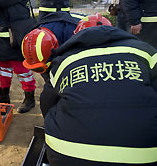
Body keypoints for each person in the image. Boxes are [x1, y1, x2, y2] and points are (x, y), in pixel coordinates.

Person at [22, 15, 157, 166]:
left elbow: (47, 104)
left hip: (65, 154)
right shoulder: (146, 53)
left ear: (77, 35)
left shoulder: (64, 62)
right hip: (144, 155)